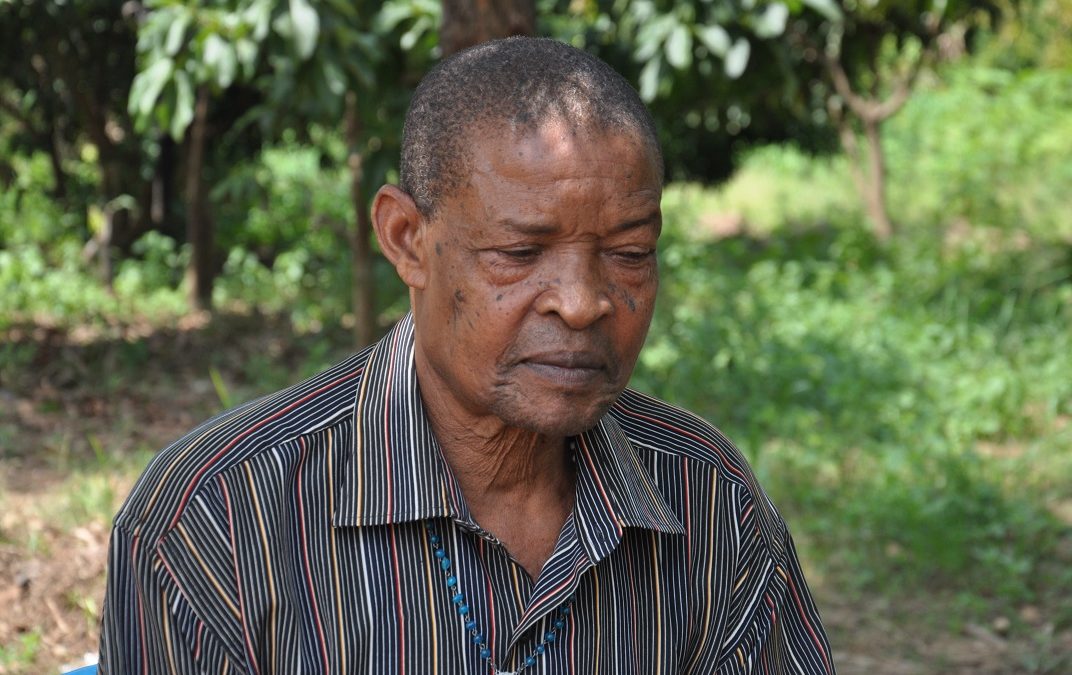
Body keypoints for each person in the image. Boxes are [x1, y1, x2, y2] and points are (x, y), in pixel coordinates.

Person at [98, 37, 834, 674]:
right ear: (406, 239)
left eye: (630, 252)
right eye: (520, 252)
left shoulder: (710, 501)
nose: (582, 302)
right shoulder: (214, 521)